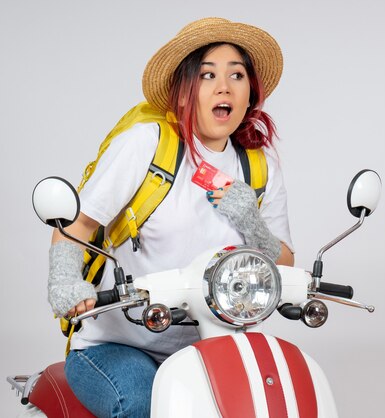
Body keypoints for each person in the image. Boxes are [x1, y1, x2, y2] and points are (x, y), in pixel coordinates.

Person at [46, 17, 294, 417]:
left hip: (212, 346)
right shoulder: (147, 143)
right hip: (117, 346)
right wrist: (64, 280)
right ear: (183, 93)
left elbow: (283, 263)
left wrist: (252, 222)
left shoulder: (259, 167)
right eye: (207, 74)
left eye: (237, 75)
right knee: (144, 404)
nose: (224, 86)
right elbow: (80, 223)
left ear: (251, 94)